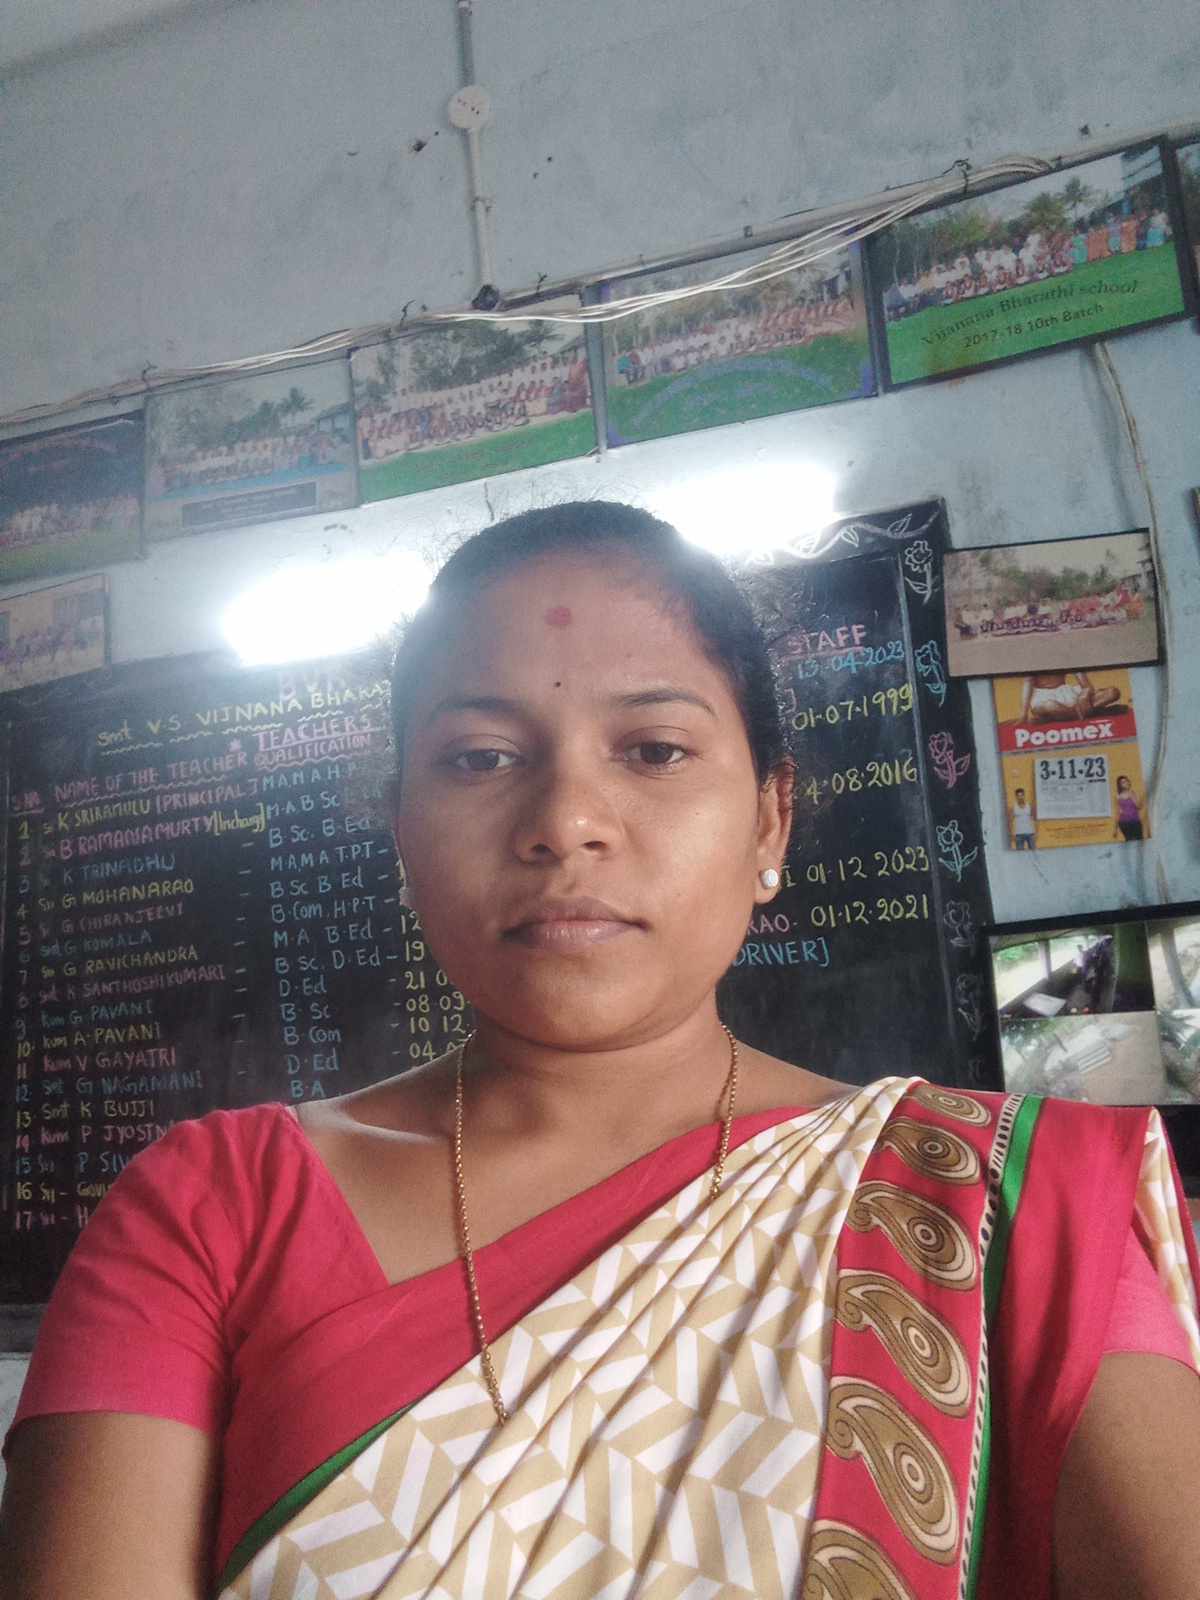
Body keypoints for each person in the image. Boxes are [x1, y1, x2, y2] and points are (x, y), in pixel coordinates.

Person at [2, 502, 1199, 1600]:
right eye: (480, 756)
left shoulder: (998, 1210)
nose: (565, 821)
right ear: (402, 831)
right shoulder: (209, 1212)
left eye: (654, 750)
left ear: (770, 818)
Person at [1020, 668, 1121, 723]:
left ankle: (1067, 715)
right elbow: (1028, 685)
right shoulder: (1032, 659)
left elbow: (1086, 687)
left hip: (1068, 695)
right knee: (1050, 705)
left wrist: (1083, 697)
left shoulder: (1066, 654)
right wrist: (1024, 715)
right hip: (1043, 698)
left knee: (1112, 692)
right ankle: (1087, 712)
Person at [1114, 774, 1145, 842]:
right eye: (1123, 782)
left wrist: (1136, 798)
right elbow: (1118, 812)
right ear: (1120, 785)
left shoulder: (1133, 793)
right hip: (1124, 823)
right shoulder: (1117, 797)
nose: (1125, 783)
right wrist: (1115, 829)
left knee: (1139, 841)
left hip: (1135, 821)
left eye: (1126, 781)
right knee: (1129, 841)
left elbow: (1139, 807)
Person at [1011, 785, 1037, 849]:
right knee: (1020, 853)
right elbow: (1011, 821)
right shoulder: (1013, 807)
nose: (1020, 797)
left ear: (1024, 795)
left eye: (1021, 795)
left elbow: (1034, 819)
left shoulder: (1029, 805)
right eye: (1018, 796)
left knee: (1033, 852)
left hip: (1030, 833)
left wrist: (1036, 832)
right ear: (1016, 797)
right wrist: (1012, 834)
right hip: (1019, 834)